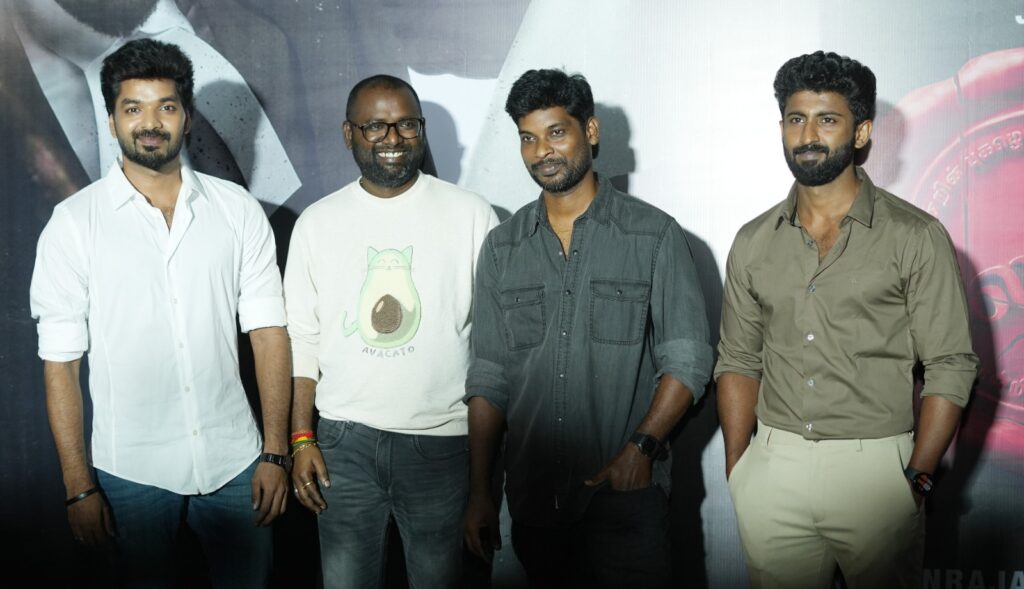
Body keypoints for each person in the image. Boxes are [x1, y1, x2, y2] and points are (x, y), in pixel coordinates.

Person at [29, 39, 291, 588]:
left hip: (236, 461)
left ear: (187, 118)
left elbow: (269, 333)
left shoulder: (236, 210)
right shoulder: (74, 224)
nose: (150, 123)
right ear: (111, 122)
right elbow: (61, 366)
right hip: (130, 473)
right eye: (134, 108)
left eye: (166, 107)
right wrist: (78, 485)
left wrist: (274, 453)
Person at [715, 51, 979, 589]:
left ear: (861, 133)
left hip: (877, 472)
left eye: (827, 119)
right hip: (773, 469)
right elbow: (739, 359)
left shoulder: (915, 236)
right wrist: (740, 468)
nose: (808, 135)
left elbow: (951, 363)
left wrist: (918, 475)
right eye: (796, 118)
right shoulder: (753, 241)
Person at [462, 68, 713, 588]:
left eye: (556, 132)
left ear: (591, 131)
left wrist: (640, 451)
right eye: (528, 138)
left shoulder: (652, 235)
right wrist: (481, 491)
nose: (542, 151)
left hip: (624, 500)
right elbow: (488, 376)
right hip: (533, 504)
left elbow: (688, 359)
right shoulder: (503, 248)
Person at [284, 74, 499, 589]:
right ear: (349, 134)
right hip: (343, 445)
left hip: (442, 445)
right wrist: (301, 438)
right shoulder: (317, 223)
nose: (393, 138)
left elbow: (493, 348)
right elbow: (303, 341)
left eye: (406, 124)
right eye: (375, 126)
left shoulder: (471, 214)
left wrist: (483, 474)